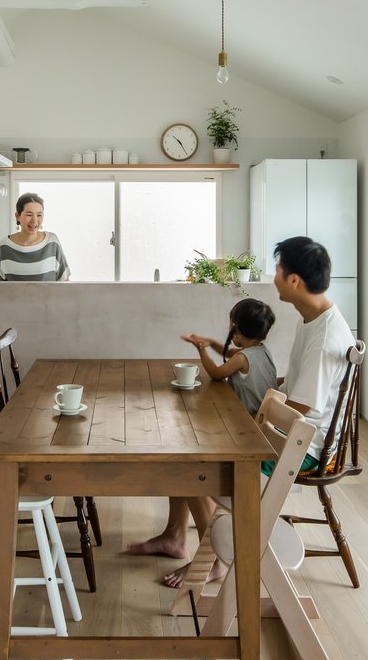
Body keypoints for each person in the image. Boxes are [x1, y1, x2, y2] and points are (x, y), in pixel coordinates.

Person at [129, 237, 353, 588]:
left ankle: (216, 560)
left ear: (294, 280)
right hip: (292, 434)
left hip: (301, 449)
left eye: (277, 270)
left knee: (190, 462)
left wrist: (248, 419)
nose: (273, 276)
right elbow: (294, 387)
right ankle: (174, 537)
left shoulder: (324, 339)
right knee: (191, 445)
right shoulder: (314, 319)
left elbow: (300, 409)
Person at [179, 297, 278, 416]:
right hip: (265, 415)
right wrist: (212, 343)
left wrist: (201, 349)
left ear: (236, 328)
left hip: (248, 418)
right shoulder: (262, 350)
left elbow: (215, 373)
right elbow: (228, 353)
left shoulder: (242, 358)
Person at [0, 192, 71, 281]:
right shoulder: (4, 246)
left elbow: (64, 280)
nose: (34, 220)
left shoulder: (52, 242)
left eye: (39, 215)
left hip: (49, 295)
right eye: (29, 215)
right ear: (17, 216)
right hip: (12, 295)